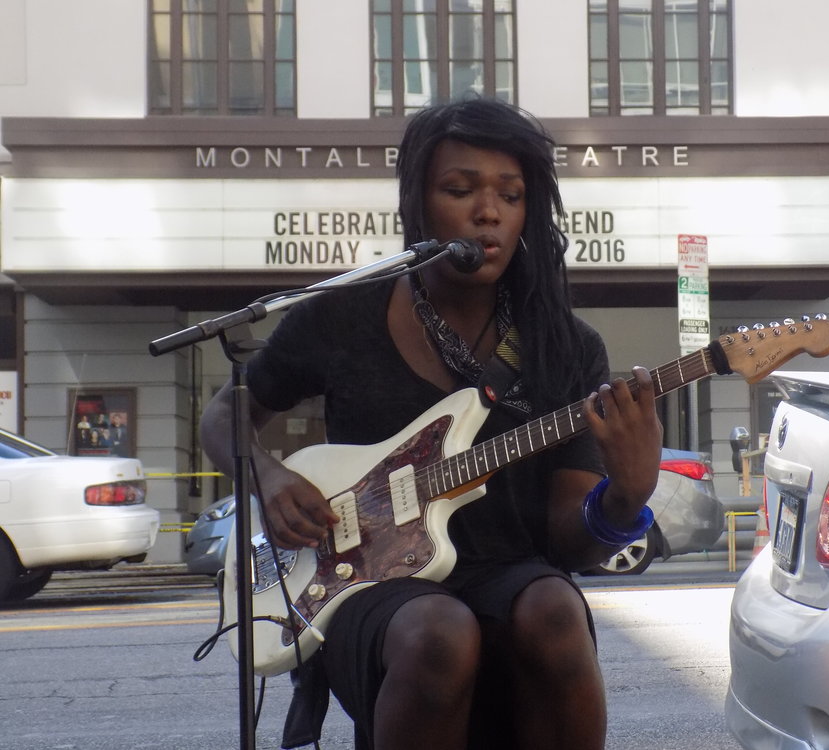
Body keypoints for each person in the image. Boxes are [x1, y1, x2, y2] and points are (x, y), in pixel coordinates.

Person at [199, 97, 663, 750]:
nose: (489, 211)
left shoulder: (563, 345)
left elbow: (570, 546)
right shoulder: (342, 315)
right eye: (460, 189)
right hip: (363, 586)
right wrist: (269, 478)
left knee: (555, 608)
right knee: (437, 631)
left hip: (506, 574)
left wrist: (626, 496)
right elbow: (225, 413)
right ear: (418, 202)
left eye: (512, 194)